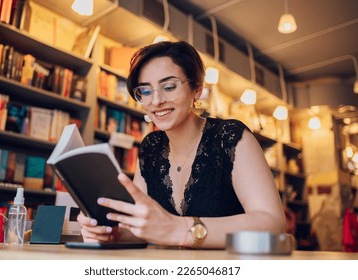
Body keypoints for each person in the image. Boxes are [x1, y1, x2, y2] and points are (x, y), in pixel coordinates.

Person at [77, 41, 286, 249]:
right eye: (145, 91)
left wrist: (182, 229)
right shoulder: (151, 147)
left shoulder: (230, 136)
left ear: (196, 90)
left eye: (168, 87)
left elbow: (273, 224)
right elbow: (143, 229)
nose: (156, 101)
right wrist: (112, 234)